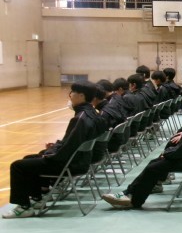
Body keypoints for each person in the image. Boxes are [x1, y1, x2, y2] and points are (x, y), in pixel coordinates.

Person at [101, 85, 182, 209]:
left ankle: (134, 200)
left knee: (153, 167)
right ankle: (129, 193)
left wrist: (167, 153)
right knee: (155, 163)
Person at [4, 82, 106, 219]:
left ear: (81, 96)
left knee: (18, 166)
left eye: (72, 93)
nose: (70, 95)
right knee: (30, 159)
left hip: (71, 164)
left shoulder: (80, 119)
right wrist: (52, 149)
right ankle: (37, 198)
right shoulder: (93, 113)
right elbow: (71, 143)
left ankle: (23, 207)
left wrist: (48, 156)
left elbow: (67, 149)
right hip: (83, 160)